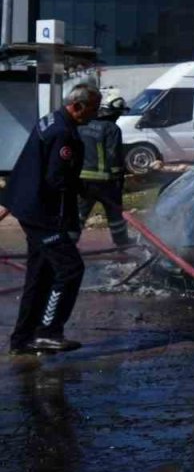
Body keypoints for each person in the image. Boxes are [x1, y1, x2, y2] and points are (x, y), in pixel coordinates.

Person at [5, 84, 102, 356]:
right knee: (70, 269)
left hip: (28, 207)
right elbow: (57, 179)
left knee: (40, 275)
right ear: (77, 106)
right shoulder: (62, 133)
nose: (94, 115)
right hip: (43, 213)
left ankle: (22, 339)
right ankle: (48, 332)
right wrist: (80, 192)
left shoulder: (52, 121)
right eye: (92, 109)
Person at [77, 91, 134, 247]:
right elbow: (113, 157)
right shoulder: (112, 128)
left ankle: (67, 244)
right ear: (111, 112)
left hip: (82, 182)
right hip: (106, 182)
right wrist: (119, 180)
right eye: (117, 113)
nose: (118, 117)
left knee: (79, 215)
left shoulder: (82, 125)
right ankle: (122, 242)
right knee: (115, 214)